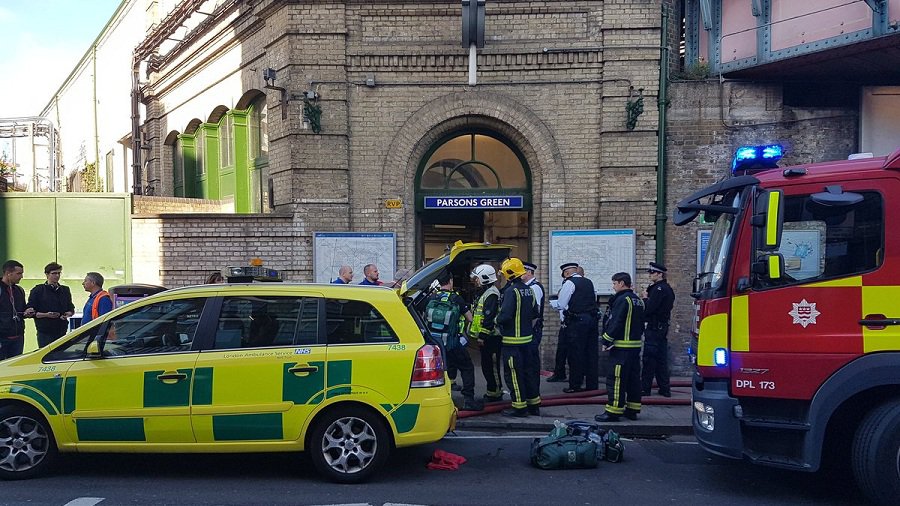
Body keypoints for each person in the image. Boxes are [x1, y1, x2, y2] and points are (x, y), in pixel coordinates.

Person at [425, 271, 482, 411]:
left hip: (435, 343)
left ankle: (442, 399)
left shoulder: (432, 297)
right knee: (467, 367)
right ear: (450, 281)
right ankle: (468, 399)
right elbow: (470, 318)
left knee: (441, 368)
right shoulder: (457, 299)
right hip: (452, 342)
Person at [595, 272, 645, 422]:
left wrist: (606, 340)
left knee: (616, 379)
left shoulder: (623, 300)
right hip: (635, 346)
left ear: (622, 283)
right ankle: (632, 409)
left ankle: (613, 411)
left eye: (615, 283)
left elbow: (616, 322)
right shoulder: (638, 300)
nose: (613, 286)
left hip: (622, 348)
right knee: (633, 379)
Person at [496, 258, 540, 417]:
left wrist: (496, 320)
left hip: (512, 343)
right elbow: (536, 314)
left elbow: (505, 316)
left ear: (509, 274)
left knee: (514, 375)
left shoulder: (511, 291)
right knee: (529, 373)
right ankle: (534, 405)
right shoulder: (530, 290)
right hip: (527, 342)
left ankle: (519, 407)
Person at [556, 262, 599, 394]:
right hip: (591, 321)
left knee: (575, 354)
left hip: (577, 322)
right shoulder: (589, 282)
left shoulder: (569, 283)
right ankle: (592, 384)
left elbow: (561, 304)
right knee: (591, 353)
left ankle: (575, 385)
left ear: (567, 273)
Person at [469, 263, 504, 403]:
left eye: (477, 279)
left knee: (492, 367)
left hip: (492, 338)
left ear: (484, 277)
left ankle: (495, 393)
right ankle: (491, 391)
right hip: (487, 337)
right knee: (487, 366)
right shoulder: (486, 292)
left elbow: (489, 317)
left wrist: (482, 336)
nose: (475, 281)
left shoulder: (492, 294)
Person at [641, 262, 676, 397]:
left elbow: (650, 308)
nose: (650, 275)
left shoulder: (659, 289)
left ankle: (645, 388)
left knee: (649, 359)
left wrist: (645, 299)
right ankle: (664, 388)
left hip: (654, 328)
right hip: (662, 327)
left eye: (652, 272)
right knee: (661, 359)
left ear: (659, 274)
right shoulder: (665, 288)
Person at [26, 262, 75, 348]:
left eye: (58, 273)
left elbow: (71, 308)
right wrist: (46, 315)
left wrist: (68, 314)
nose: (57, 276)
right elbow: (31, 311)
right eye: (54, 273)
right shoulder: (38, 290)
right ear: (47, 274)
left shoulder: (65, 290)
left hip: (61, 330)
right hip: (45, 331)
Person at [1, 260, 34, 360]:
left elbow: (22, 310)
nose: (21, 276)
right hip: (2, 337)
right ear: (8, 273)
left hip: (18, 337)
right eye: (19, 273)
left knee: (14, 367)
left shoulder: (19, 290)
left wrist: (27, 311)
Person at [521, 262, 544, 398]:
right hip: (531, 329)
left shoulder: (534, 288)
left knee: (531, 363)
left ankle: (533, 394)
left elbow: (534, 312)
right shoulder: (528, 287)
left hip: (533, 330)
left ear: (529, 272)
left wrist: (528, 328)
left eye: (522, 271)